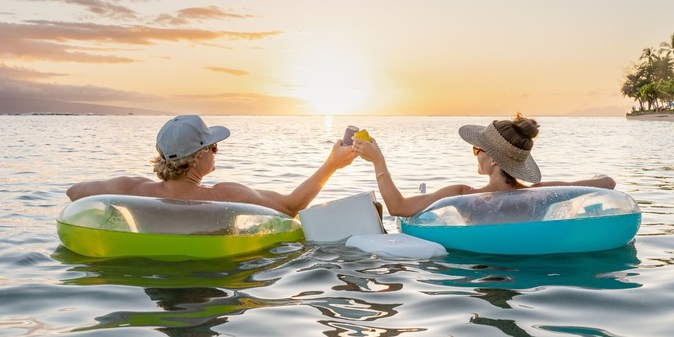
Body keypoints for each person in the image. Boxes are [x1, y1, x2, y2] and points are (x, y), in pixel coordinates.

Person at [66, 114, 357, 216]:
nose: (216, 152)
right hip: (209, 278)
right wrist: (331, 164)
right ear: (197, 157)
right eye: (213, 147)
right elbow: (293, 205)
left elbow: (74, 192)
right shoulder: (222, 195)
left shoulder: (130, 188)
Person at [353, 113, 616, 217]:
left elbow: (398, 208)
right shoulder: (539, 193)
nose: (474, 154)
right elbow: (608, 183)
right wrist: (593, 177)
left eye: (477, 149)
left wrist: (378, 161)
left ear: (492, 158)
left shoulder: (463, 195)